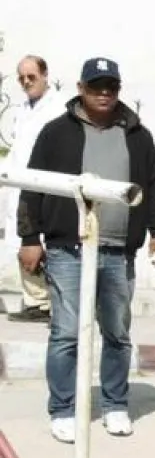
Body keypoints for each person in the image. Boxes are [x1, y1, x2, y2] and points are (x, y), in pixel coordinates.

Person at [17, 57, 155, 444]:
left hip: (119, 252)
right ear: (81, 89)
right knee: (66, 333)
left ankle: (116, 403)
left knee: (117, 333)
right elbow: (33, 186)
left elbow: (154, 184)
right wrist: (30, 239)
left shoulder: (138, 134)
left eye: (111, 87)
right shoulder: (56, 133)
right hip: (69, 250)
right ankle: (64, 408)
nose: (104, 94)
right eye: (96, 86)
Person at [4, 54, 66, 323]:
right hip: (21, 183)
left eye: (32, 77)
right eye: (22, 78)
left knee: (46, 242)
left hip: (46, 182)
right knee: (24, 240)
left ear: (45, 75)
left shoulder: (58, 107)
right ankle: (35, 302)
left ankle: (55, 303)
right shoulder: (22, 110)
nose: (27, 82)